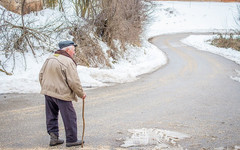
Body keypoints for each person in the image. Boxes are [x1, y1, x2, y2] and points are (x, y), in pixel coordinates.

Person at [39, 40, 86, 147]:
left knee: (51, 116)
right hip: (61, 93)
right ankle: (72, 140)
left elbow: (41, 75)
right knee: (70, 116)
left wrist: (45, 87)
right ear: (68, 50)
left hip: (48, 92)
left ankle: (54, 138)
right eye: (73, 50)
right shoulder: (68, 61)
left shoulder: (50, 58)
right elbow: (74, 81)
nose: (74, 53)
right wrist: (81, 93)